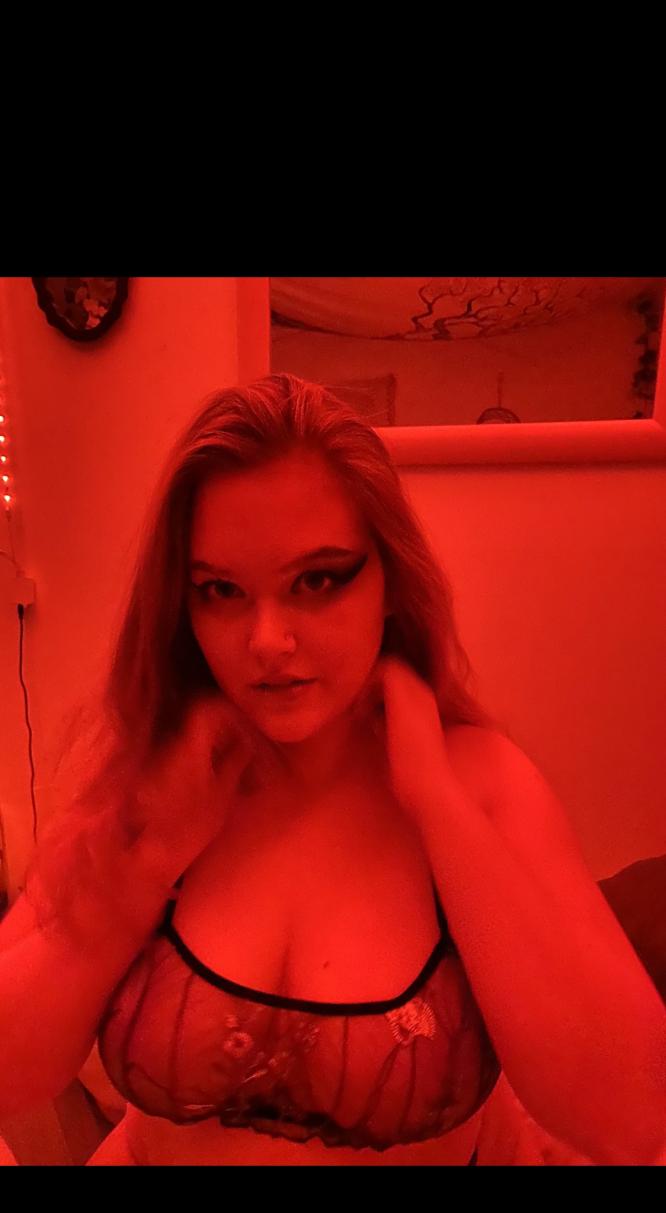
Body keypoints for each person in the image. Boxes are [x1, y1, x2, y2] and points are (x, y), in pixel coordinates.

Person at [1, 375, 664, 1166]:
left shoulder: (477, 780)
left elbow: (634, 1118)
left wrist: (437, 805)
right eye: (221, 590)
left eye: (316, 580)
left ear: (392, 582)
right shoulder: (154, 774)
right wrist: (145, 865)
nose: (267, 640)